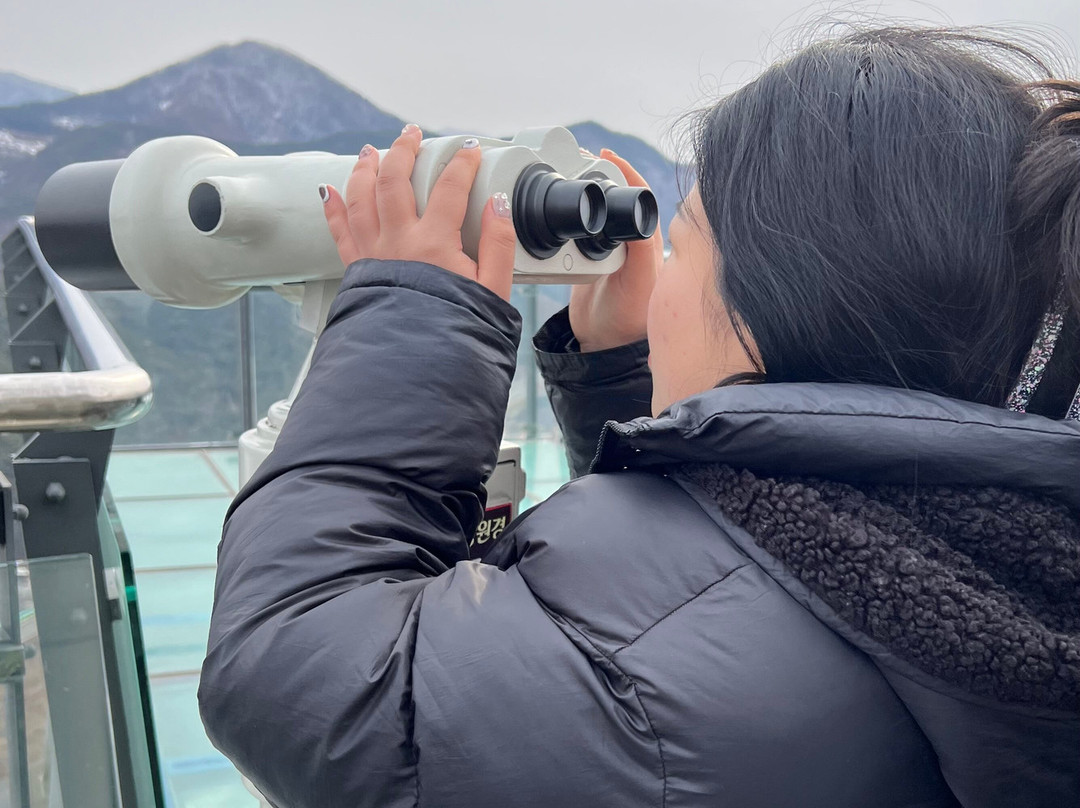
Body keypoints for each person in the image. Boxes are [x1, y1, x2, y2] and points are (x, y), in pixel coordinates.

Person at [198, 27, 1079, 807]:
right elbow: (706, 586)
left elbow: (294, 670)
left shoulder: (663, 705)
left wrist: (412, 320)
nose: (657, 280)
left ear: (779, 309)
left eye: (685, 246)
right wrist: (623, 379)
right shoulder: (987, 552)